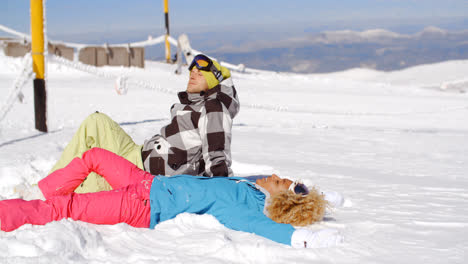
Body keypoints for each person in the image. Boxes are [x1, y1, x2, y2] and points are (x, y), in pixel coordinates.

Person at [0, 148, 343, 249]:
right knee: (94, 156)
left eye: (284, 182)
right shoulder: (250, 187)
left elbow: (260, 227)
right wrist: (322, 198)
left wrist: (303, 236)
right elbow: (265, 180)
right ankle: (39, 192)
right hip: (146, 182)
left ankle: (9, 213)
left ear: (281, 203)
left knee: (63, 208)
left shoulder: (242, 208)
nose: (277, 176)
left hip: (141, 206)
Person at [45, 54, 239, 194]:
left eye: (200, 73)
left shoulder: (214, 108)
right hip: (137, 153)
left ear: (213, 80)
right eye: (191, 71)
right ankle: (50, 183)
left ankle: (48, 192)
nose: (192, 74)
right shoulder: (197, 105)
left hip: (140, 173)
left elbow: (217, 155)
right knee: (96, 122)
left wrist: (224, 193)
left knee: (86, 185)